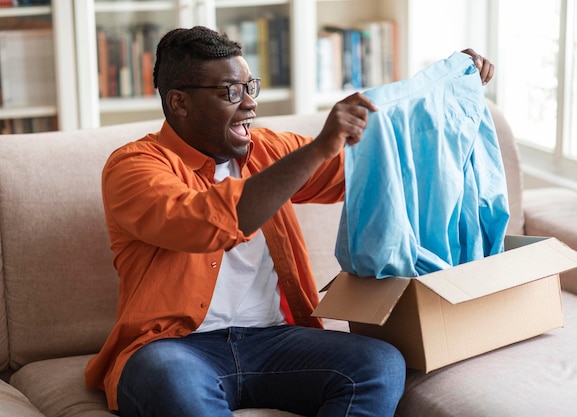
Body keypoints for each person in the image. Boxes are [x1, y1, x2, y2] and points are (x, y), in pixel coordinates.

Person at [84, 26, 493, 417]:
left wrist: (448, 88)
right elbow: (201, 222)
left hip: (276, 341)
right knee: (167, 379)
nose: (249, 103)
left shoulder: (267, 150)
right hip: (174, 348)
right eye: (230, 92)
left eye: (250, 87)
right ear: (179, 102)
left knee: (379, 363)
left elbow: (371, 168)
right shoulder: (134, 166)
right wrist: (317, 149)